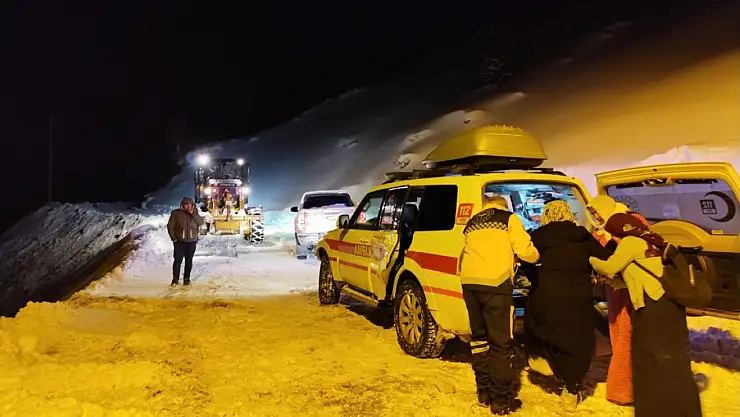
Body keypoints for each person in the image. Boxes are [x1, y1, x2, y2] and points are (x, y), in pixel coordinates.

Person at [589, 213, 702, 417]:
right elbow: (635, 275)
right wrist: (614, 282)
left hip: (655, 308)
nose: (612, 239)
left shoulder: (631, 242)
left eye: (612, 234)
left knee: (662, 361)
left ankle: (679, 410)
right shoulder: (646, 240)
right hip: (659, 306)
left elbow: (609, 266)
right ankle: (659, 408)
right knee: (649, 360)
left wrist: (588, 257)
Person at [522, 200, 611, 412]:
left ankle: (550, 366)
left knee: (546, 332)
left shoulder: (539, 235)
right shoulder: (582, 235)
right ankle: (572, 387)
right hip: (578, 295)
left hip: (547, 294)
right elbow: (604, 258)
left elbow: (526, 259)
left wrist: (536, 278)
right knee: (577, 340)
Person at [459, 195, 540, 415]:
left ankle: (483, 392)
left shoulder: (473, 222)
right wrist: (537, 257)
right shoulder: (508, 218)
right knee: (500, 343)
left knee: (479, 339)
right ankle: (501, 400)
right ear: (504, 206)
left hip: (469, 283)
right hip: (495, 284)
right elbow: (525, 251)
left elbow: (463, 253)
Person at [587, 195, 634, 405]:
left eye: (597, 213)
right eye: (593, 214)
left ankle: (622, 391)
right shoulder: (604, 229)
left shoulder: (624, 227)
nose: (595, 217)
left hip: (625, 288)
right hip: (614, 289)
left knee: (625, 337)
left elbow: (612, 263)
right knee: (618, 335)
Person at [167, 197, 204, 285]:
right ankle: (175, 279)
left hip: (191, 241)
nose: (188, 206)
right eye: (186, 204)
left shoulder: (195, 213)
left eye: (190, 204)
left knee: (189, 260)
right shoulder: (176, 213)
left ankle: (186, 279)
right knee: (178, 260)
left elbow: (200, 223)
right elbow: (170, 226)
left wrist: (193, 214)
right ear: (182, 205)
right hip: (179, 241)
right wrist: (173, 238)